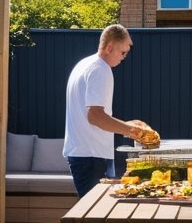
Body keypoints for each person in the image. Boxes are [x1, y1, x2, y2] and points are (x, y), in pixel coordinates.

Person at [63, 24, 150, 197]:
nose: (125, 57)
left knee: (91, 213)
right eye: (123, 52)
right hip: (90, 156)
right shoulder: (101, 69)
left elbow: (94, 114)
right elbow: (95, 117)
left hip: (82, 153)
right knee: (93, 217)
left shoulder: (85, 64)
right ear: (110, 47)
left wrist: (126, 125)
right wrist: (134, 131)